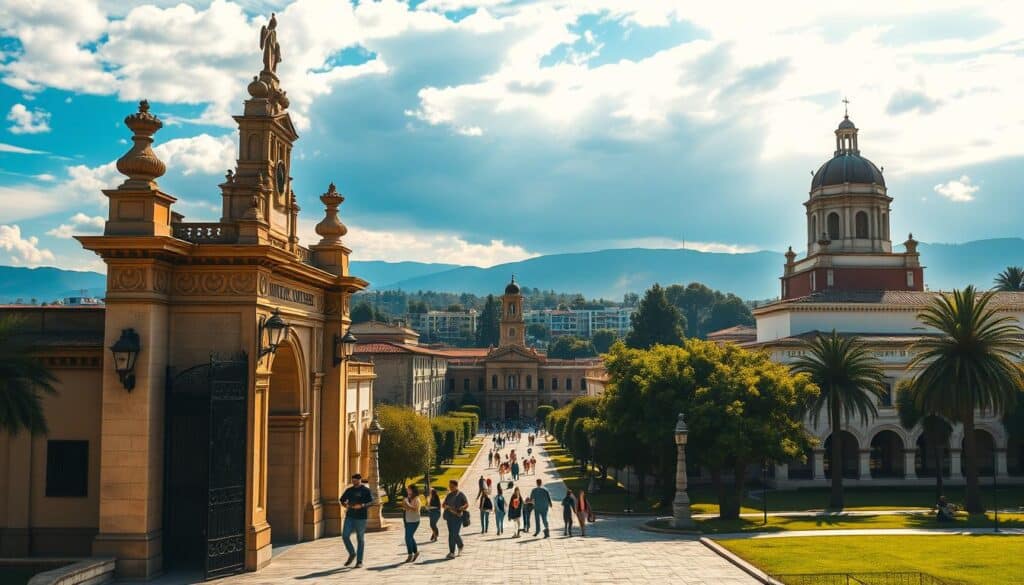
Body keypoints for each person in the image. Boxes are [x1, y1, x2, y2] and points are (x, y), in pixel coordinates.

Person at [340, 473, 373, 568]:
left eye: (355, 481)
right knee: (345, 535)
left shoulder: (366, 490)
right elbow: (342, 499)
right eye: (352, 481)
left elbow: (371, 502)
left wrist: (362, 505)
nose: (353, 483)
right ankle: (352, 553)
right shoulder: (349, 490)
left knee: (360, 539)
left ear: (360, 480)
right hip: (350, 516)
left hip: (361, 518)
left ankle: (359, 561)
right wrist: (345, 504)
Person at [443, 479, 469, 559]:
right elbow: (443, 504)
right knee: (452, 534)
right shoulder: (449, 495)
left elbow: (466, 504)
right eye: (449, 486)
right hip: (449, 517)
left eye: (452, 486)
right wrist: (445, 506)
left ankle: (455, 549)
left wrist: (462, 508)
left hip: (457, 517)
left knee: (453, 534)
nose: (450, 488)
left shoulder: (460, 494)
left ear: (456, 486)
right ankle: (456, 549)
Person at [401, 485, 422, 562]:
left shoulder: (417, 499)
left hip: (414, 521)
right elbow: (404, 508)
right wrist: (404, 503)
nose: (407, 490)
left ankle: (410, 554)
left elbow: (415, 509)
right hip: (407, 519)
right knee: (409, 537)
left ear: (413, 490)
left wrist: (407, 503)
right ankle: (415, 552)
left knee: (408, 537)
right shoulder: (408, 498)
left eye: (409, 489)